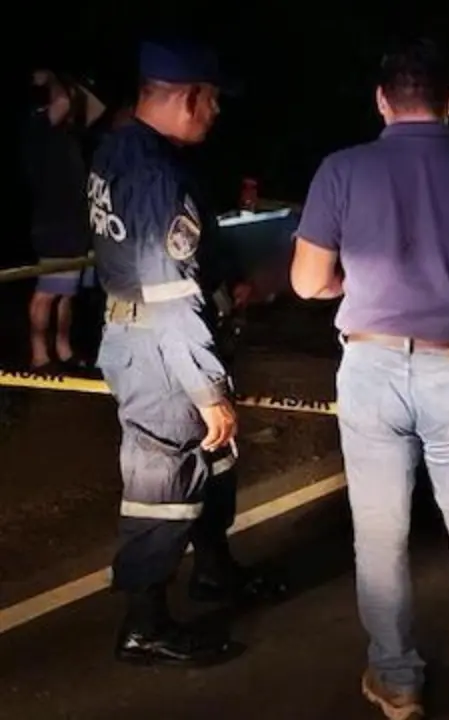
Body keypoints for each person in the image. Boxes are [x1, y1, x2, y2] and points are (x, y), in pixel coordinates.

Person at [291, 40, 449, 718]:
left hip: (371, 368)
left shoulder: (340, 172)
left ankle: (397, 680)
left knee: (380, 534)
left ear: (382, 101)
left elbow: (308, 282)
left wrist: (357, 281)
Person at [89, 39, 285, 668]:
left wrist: (227, 284)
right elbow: (170, 295)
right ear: (188, 97)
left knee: (212, 461)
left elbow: (174, 257)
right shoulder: (157, 175)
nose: (217, 113)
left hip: (153, 336)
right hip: (161, 350)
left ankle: (215, 570)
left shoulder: (123, 149)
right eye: (213, 101)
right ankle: (143, 623)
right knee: (162, 480)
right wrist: (209, 390)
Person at [24, 70, 95, 371]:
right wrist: (54, 77)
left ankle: (62, 348)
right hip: (54, 223)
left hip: (75, 224)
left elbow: (96, 109)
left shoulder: (67, 133)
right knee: (47, 292)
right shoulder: (38, 125)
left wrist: (74, 85)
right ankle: (38, 352)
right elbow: (64, 99)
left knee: (67, 293)